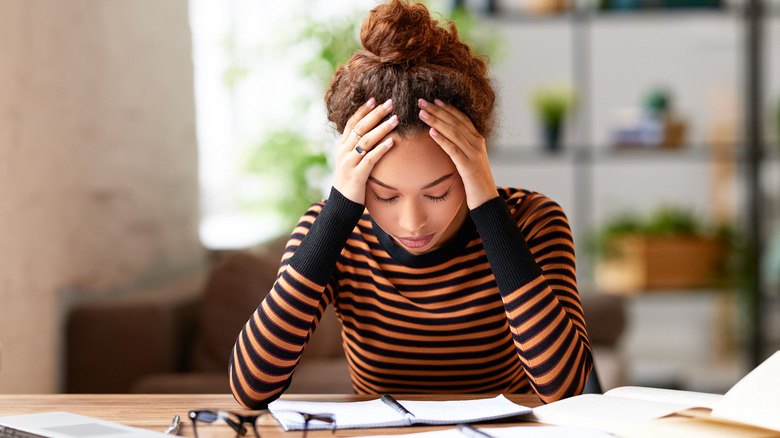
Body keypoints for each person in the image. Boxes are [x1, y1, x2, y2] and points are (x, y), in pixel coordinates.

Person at [229, 0, 592, 409]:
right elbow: (251, 387)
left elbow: (566, 391)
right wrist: (338, 211)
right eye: (385, 195)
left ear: (474, 163)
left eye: (437, 193)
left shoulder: (533, 222)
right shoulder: (332, 231)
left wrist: (488, 207)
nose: (412, 222)